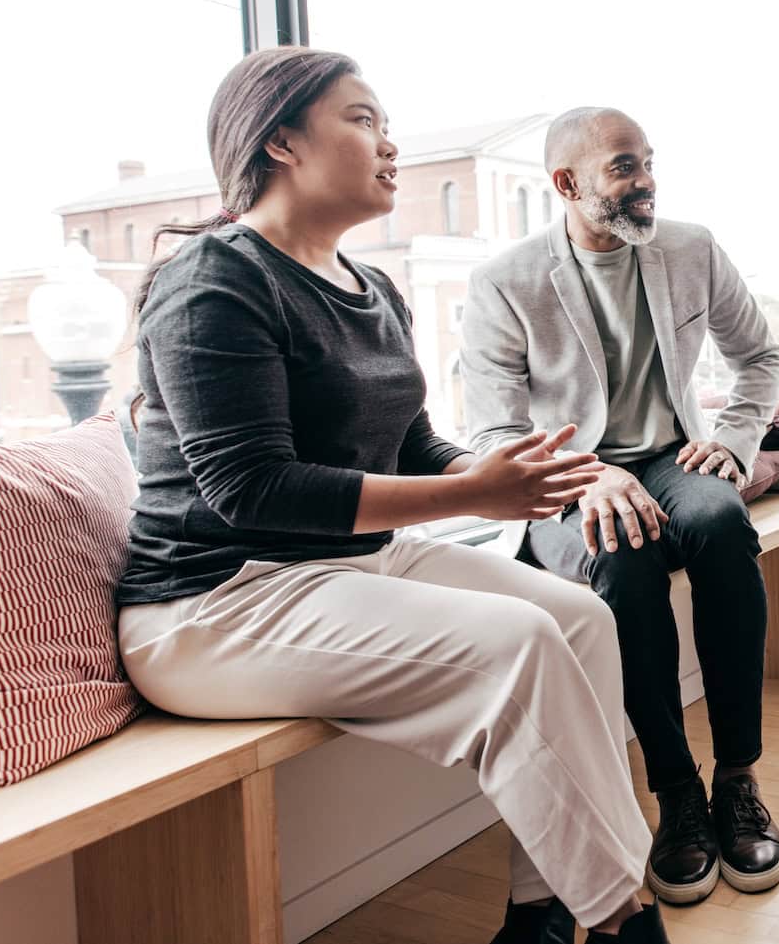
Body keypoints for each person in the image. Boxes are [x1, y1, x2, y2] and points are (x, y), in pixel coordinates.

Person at [117, 47, 666, 944]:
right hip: (214, 598)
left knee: (578, 617)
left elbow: (411, 445)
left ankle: (545, 911)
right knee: (519, 644)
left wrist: (502, 478)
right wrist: (478, 495)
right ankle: (622, 919)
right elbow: (249, 487)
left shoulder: (371, 288)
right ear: (282, 140)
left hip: (344, 563)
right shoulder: (215, 280)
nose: (391, 144)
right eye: (363, 119)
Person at [462, 107, 779, 907]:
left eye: (647, 162)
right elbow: (495, 431)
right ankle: (676, 792)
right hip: (570, 477)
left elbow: (761, 355)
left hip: (674, 457)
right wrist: (582, 474)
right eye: (622, 167)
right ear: (566, 184)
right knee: (624, 550)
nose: (644, 181)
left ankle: (737, 777)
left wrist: (737, 442)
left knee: (718, 519)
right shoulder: (504, 281)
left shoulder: (691, 246)